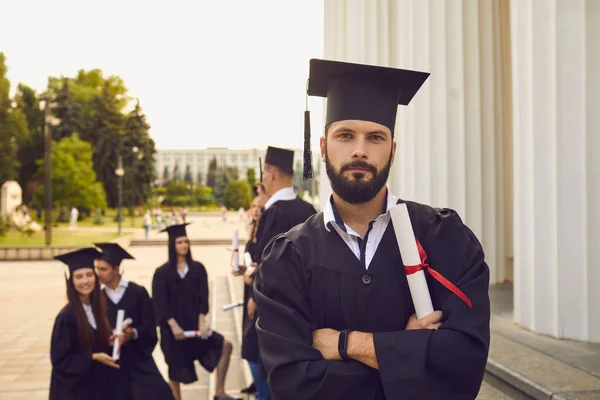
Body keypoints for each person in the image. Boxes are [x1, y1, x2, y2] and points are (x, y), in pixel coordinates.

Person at [254, 59, 491, 399]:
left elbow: (463, 367)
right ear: (323, 148)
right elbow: (292, 384)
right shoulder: (287, 258)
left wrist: (345, 344)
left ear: (392, 151)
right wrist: (407, 353)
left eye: (375, 137)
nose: (360, 150)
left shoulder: (444, 238)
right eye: (345, 135)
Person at [151, 223, 241, 400]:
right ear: (172, 245)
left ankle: (219, 391)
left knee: (226, 345)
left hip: (194, 327)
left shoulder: (197, 269)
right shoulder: (162, 273)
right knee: (174, 370)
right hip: (173, 332)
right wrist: (173, 326)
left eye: (186, 241)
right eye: (179, 242)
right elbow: (160, 304)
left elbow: (203, 297)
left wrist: (202, 321)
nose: (184, 245)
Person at [95, 242, 175, 400]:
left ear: (117, 269)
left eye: (103, 269)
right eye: (97, 268)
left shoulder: (137, 293)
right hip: (109, 362)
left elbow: (150, 328)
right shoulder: (96, 297)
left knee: (160, 392)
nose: (98, 273)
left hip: (137, 359)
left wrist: (132, 334)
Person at [49, 247, 119, 400]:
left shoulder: (98, 309)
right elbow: (60, 360)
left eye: (89, 275)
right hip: (75, 391)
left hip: (96, 387)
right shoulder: (66, 317)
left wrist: (110, 338)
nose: (85, 281)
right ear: (71, 281)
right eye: (79, 277)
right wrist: (92, 357)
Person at [234, 196, 271, 400]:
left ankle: (263, 394)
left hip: (259, 295)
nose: (256, 210)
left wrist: (254, 296)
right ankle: (259, 389)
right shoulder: (253, 236)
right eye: (254, 206)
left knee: (254, 347)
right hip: (250, 292)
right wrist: (243, 270)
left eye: (260, 206)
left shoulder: (266, 234)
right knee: (249, 348)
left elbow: (264, 268)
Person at [254, 146, 316, 265]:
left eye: (263, 174)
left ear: (272, 174)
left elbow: (266, 264)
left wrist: (251, 275)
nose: (263, 180)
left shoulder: (273, 214)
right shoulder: (309, 209)